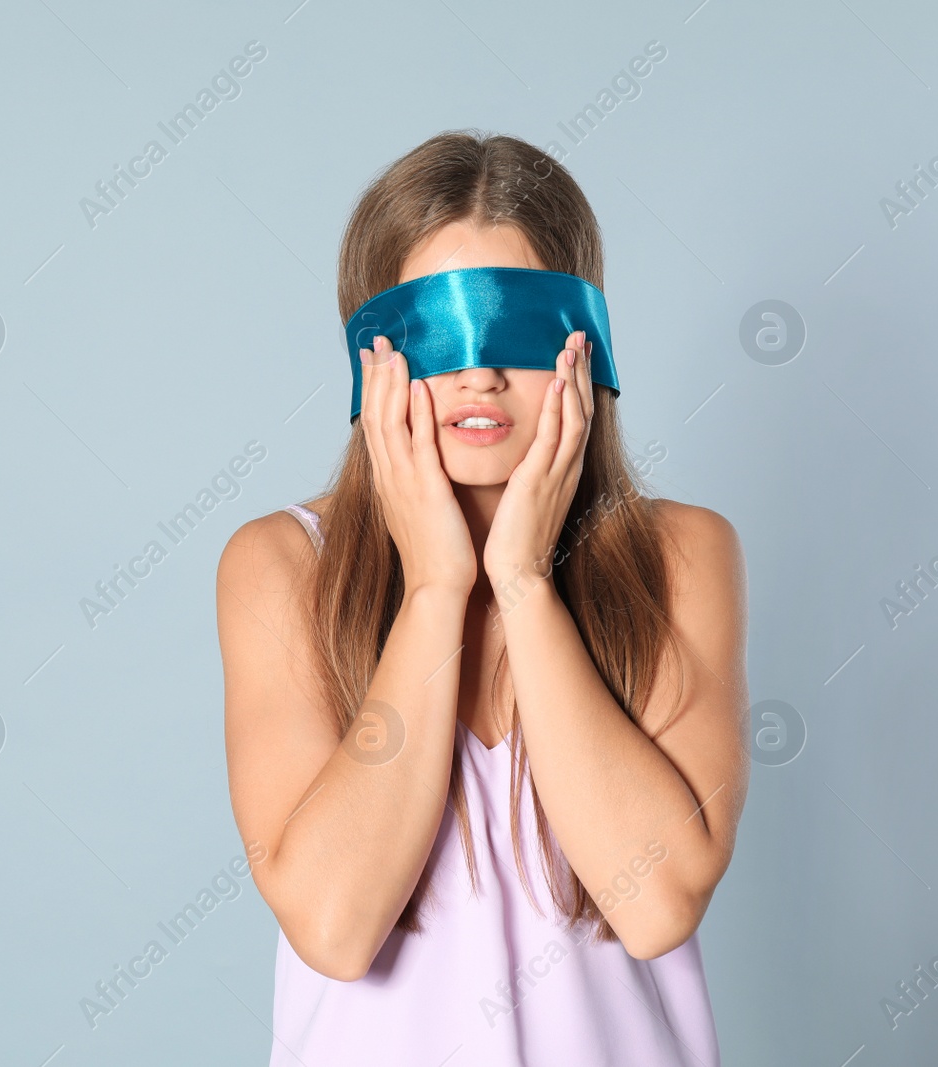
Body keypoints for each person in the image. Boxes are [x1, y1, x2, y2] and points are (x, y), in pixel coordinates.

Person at [215, 130, 749, 1066]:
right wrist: (435, 587)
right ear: (369, 357)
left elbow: (656, 902)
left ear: (587, 344)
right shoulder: (281, 567)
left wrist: (525, 581)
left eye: (516, 328)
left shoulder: (683, 556)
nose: (479, 373)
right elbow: (336, 926)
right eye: (436, 332)